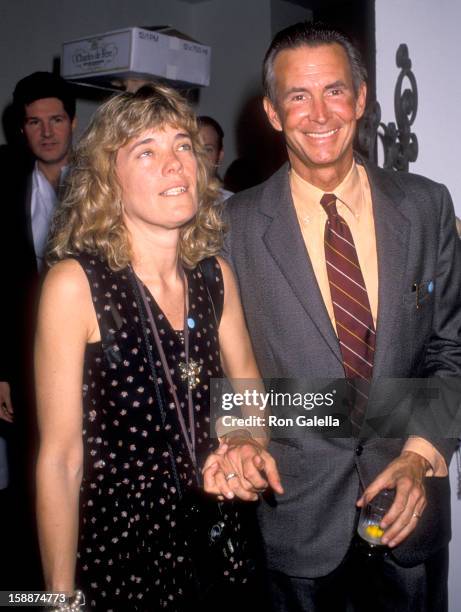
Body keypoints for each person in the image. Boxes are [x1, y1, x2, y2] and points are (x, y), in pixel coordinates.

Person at [204, 22, 461, 612]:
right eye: (298, 96)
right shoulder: (229, 227)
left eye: (335, 91)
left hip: (409, 518)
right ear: (272, 111)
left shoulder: (426, 206)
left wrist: (420, 455)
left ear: (363, 98)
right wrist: (245, 431)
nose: (319, 113)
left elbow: (450, 348)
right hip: (292, 521)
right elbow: (226, 368)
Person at [35, 83, 266, 611]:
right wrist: (57, 597)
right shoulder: (74, 285)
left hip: (219, 540)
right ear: (107, 181)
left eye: (183, 144)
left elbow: (248, 387)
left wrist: (246, 440)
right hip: (120, 553)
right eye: (147, 150)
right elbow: (60, 459)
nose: (175, 163)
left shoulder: (216, 276)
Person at [0, 71, 76, 589]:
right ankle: (40, 592)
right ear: (21, 129)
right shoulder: (4, 184)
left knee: (87, 473)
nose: (46, 132)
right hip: (25, 365)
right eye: (34, 122)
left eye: (55, 120)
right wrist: (1, 372)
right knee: (36, 475)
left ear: (72, 123)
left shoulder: (104, 181)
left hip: (95, 362)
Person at [198, 115, 233, 201]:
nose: (198, 156)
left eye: (207, 150)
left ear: (219, 157)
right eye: (192, 148)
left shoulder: (231, 204)